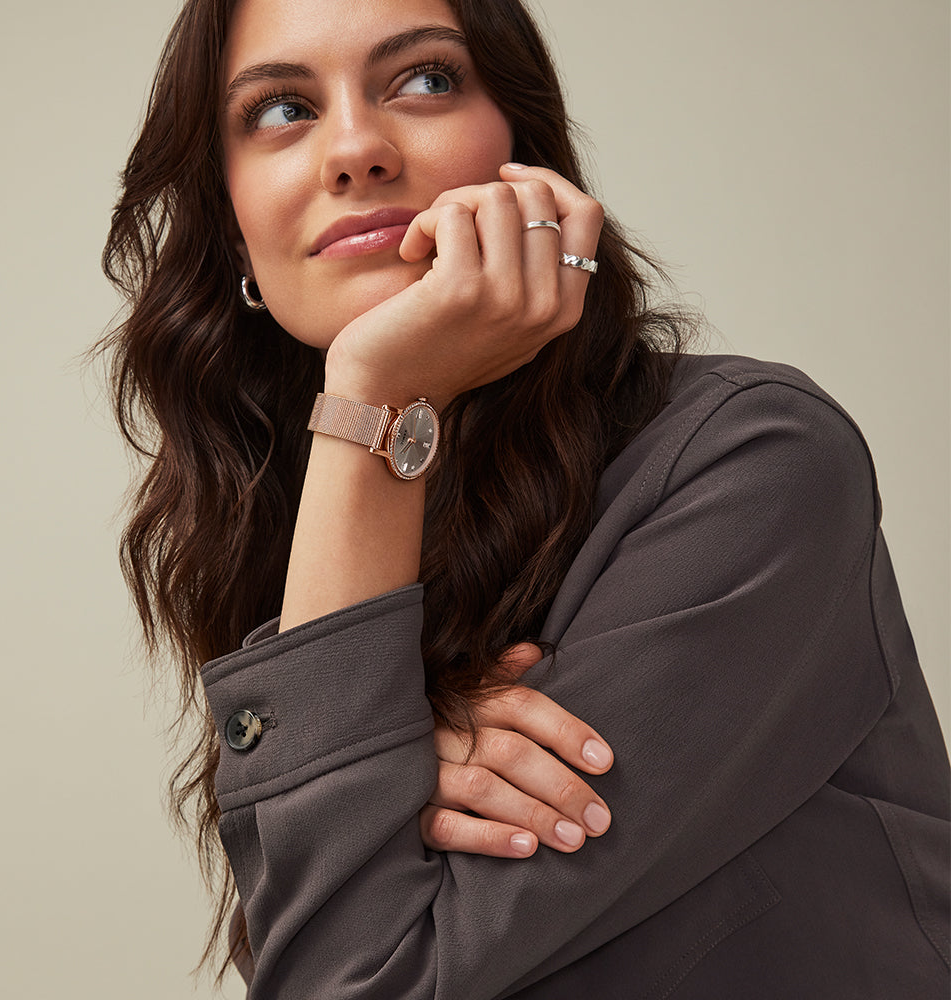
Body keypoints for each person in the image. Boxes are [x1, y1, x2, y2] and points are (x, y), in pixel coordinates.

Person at [101, 0, 950, 995]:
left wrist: (376, 396)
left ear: (525, 152)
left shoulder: (757, 460)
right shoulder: (301, 520)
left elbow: (355, 977)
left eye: (424, 80)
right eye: (282, 109)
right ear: (236, 232)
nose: (356, 150)